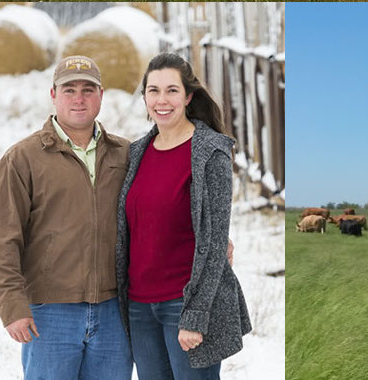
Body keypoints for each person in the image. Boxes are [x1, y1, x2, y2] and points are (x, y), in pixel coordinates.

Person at [0, 55, 134, 378]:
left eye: (87, 89)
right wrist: (12, 307)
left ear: (101, 95)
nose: (79, 99)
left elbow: (161, 210)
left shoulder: (126, 154)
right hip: (49, 313)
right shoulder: (22, 159)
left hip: (113, 312)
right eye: (69, 90)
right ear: (53, 95)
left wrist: (214, 237)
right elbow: (1, 241)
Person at [115, 52, 251, 379]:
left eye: (172, 90)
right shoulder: (136, 153)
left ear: (188, 96)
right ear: (145, 97)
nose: (162, 100)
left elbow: (215, 243)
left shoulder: (210, 153)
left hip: (185, 304)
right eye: (154, 91)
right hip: (139, 306)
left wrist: (195, 315)